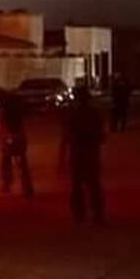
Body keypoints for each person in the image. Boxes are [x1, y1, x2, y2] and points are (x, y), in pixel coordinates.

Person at [59, 85, 106, 223]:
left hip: (79, 153)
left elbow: (67, 136)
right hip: (90, 153)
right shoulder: (94, 114)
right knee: (92, 184)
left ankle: (80, 213)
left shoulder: (73, 114)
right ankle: (96, 213)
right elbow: (102, 136)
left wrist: (62, 157)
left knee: (79, 185)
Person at [0, 90, 34, 197]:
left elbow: (0, 124)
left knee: (6, 161)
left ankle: (7, 184)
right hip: (19, 137)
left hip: (10, 138)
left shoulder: (3, 110)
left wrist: (5, 136)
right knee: (22, 163)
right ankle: (27, 188)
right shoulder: (16, 109)